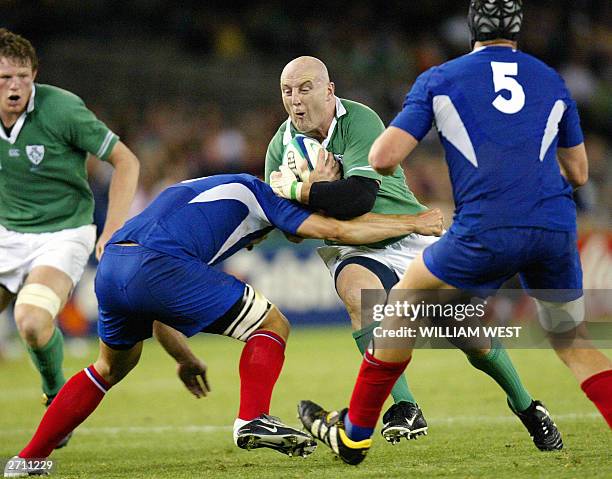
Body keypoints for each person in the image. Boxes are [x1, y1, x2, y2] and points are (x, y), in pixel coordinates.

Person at [298, 0, 612, 465]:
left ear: (471, 31)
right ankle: (524, 406)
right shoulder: (550, 79)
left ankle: (355, 435)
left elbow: (384, 158)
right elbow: (580, 172)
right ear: (518, 32)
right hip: (553, 226)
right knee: (573, 342)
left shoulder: (441, 79)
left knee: (402, 304)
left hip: (484, 227)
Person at [4, 173, 444, 475]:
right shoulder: (264, 195)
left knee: (108, 368)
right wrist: (413, 222)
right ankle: (252, 419)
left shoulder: (205, 187)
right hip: (158, 265)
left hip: (116, 264)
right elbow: (339, 231)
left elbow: (155, 300)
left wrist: (185, 356)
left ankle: (30, 457)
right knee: (273, 324)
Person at [268, 55, 548, 445]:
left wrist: (304, 191)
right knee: (359, 295)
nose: (295, 100)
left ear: (329, 91)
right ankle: (405, 407)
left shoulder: (359, 120)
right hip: (353, 247)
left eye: (305, 88)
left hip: (408, 237)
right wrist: (314, 189)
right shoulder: (280, 147)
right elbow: (292, 230)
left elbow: (358, 198)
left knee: (470, 335)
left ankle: (528, 407)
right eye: (287, 91)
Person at [0, 28, 139, 447]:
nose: (15, 86)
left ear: (35, 74)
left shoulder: (61, 109)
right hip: (7, 231)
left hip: (64, 232)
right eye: (5, 78)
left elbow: (126, 161)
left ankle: (57, 394)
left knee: (31, 319)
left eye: (23, 76)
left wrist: (112, 227)